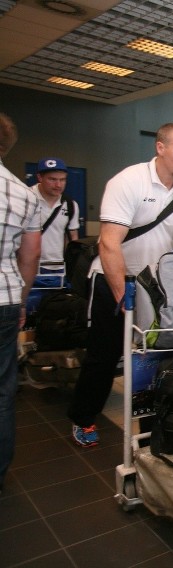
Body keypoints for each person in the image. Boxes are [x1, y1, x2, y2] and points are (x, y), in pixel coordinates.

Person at [66, 123, 173, 447]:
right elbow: (109, 243)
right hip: (112, 281)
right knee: (103, 357)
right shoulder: (128, 181)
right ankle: (84, 417)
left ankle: (153, 430)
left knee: (161, 357)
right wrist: (124, 296)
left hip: (159, 289)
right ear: (160, 148)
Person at [0, 113, 41, 494]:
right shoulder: (23, 193)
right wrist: (23, 299)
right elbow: (30, 256)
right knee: (3, 387)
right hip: (6, 298)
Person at [31, 157, 79, 263]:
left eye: (62, 180)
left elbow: (72, 237)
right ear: (40, 177)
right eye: (52, 179)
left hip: (59, 268)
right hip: (29, 266)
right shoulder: (25, 199)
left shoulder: (70, 205)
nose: (58, 185)